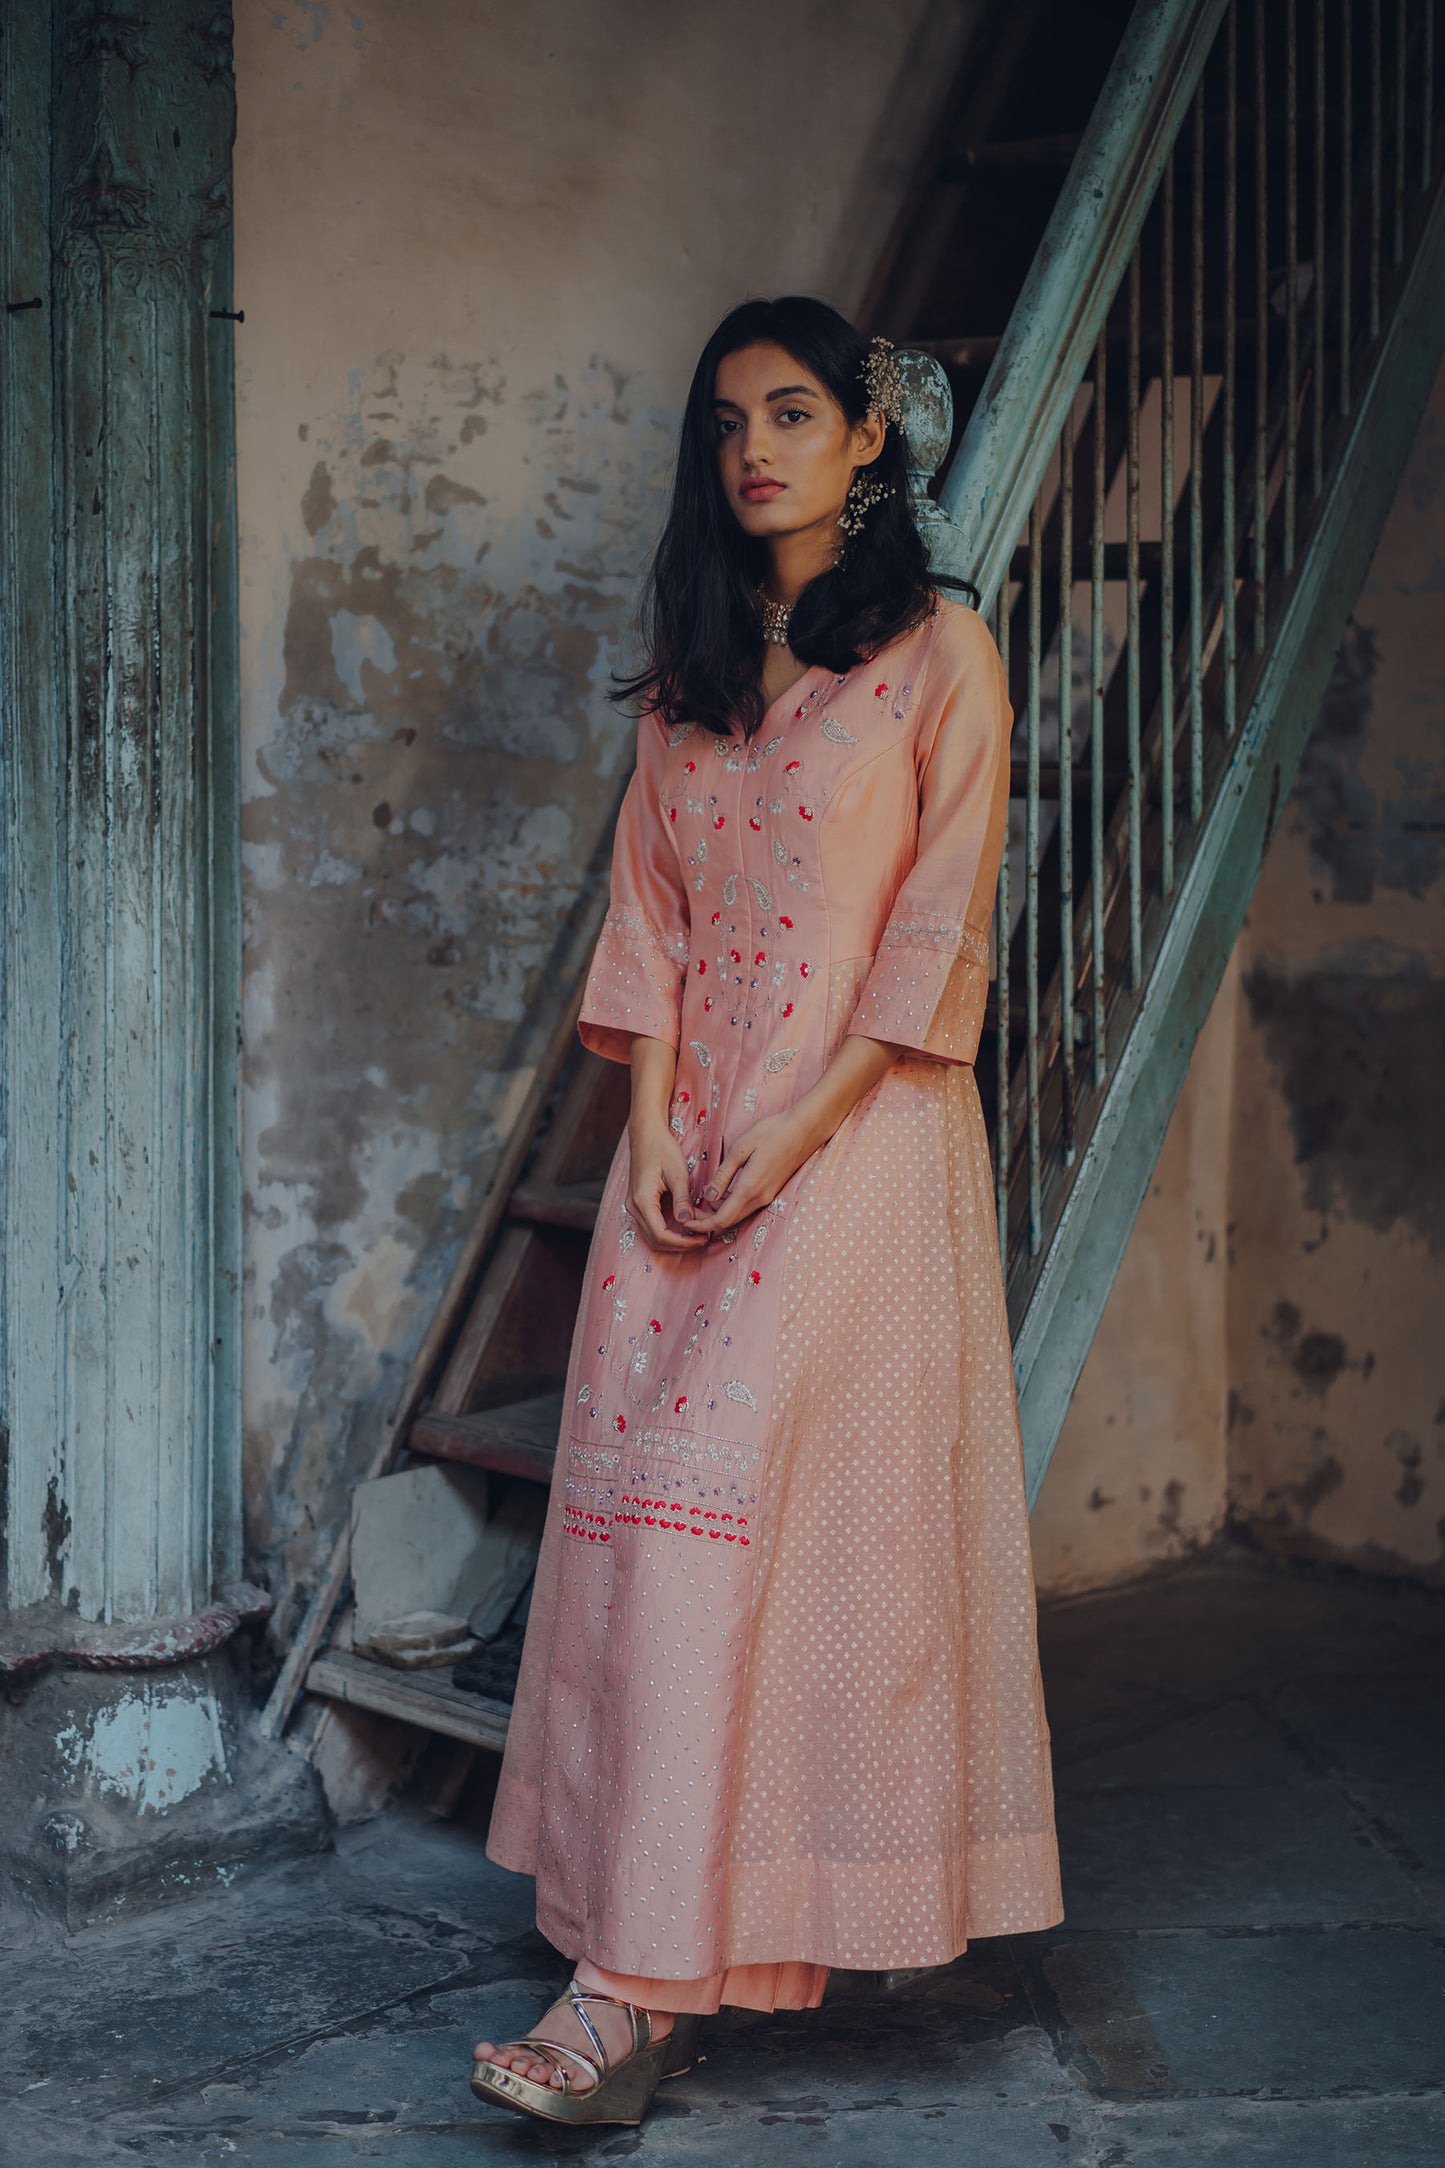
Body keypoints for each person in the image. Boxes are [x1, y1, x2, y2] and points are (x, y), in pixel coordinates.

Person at [471, 295, 1063, 2127]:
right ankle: (644, 1952)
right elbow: (649, 920)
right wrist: (646, 1123)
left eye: (793, 414)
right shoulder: (690, 682)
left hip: (859, 1141)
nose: (754, 451)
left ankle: (620, 2000)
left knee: (744, 1546)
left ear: (867, 439)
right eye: (727, 422)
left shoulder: (938, 659)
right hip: (692, 1148)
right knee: (658, 1544)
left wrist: (795, 1128)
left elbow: (934, 927)